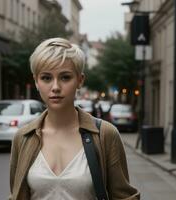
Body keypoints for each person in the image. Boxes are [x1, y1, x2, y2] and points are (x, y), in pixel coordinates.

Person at [9, 38, 140, 200]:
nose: (55, 87)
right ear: (36, 81)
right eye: (46, 78)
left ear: (80, 80)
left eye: (65, 77)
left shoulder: (104, 134)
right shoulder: (23, 138)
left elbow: (125, 197)